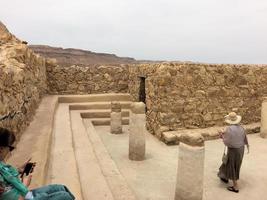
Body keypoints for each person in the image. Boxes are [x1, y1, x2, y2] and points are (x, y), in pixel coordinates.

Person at [0, 127, 75, 200]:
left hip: (24, 194)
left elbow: (8, 177)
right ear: (1, 149)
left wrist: (18, 170)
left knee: (61, 188)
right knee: (65, 196)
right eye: (10, 148)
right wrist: (25, 185)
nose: (10, 152)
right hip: (22, 195)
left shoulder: (2, 166)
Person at [217, 112, 249, 193]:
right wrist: (224, 133)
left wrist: (221, 134)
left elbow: (226, 142)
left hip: (233, 150)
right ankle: (224, 176)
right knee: (230, 164)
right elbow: (241, 137)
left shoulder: (229, 129)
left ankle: (235, 187)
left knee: (232, 166)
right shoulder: (241, 127)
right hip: (241, 149)